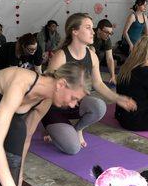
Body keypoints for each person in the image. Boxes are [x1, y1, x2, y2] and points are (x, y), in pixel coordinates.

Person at [45, 13, 136, 155]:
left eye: (92, 28)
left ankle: (77, 129)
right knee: (73, 149)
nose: (93, 32)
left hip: (75, 105)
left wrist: (117, 98)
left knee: (99, 106)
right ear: (74, 31)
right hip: (55, 108)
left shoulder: (92, 56)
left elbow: (98, 83)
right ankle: (54, 129)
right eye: (88, 28)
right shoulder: (61, 56)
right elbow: (47, 89)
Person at [91, 19, 116, 85]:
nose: (109, 35)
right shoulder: (90, 34)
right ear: (99, 30)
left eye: (110, 33)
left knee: (103, 55)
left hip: (97, 56)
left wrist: (113, 76)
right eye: (106, 32)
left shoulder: (107, 39)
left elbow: (110, 58)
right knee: (92, 49)